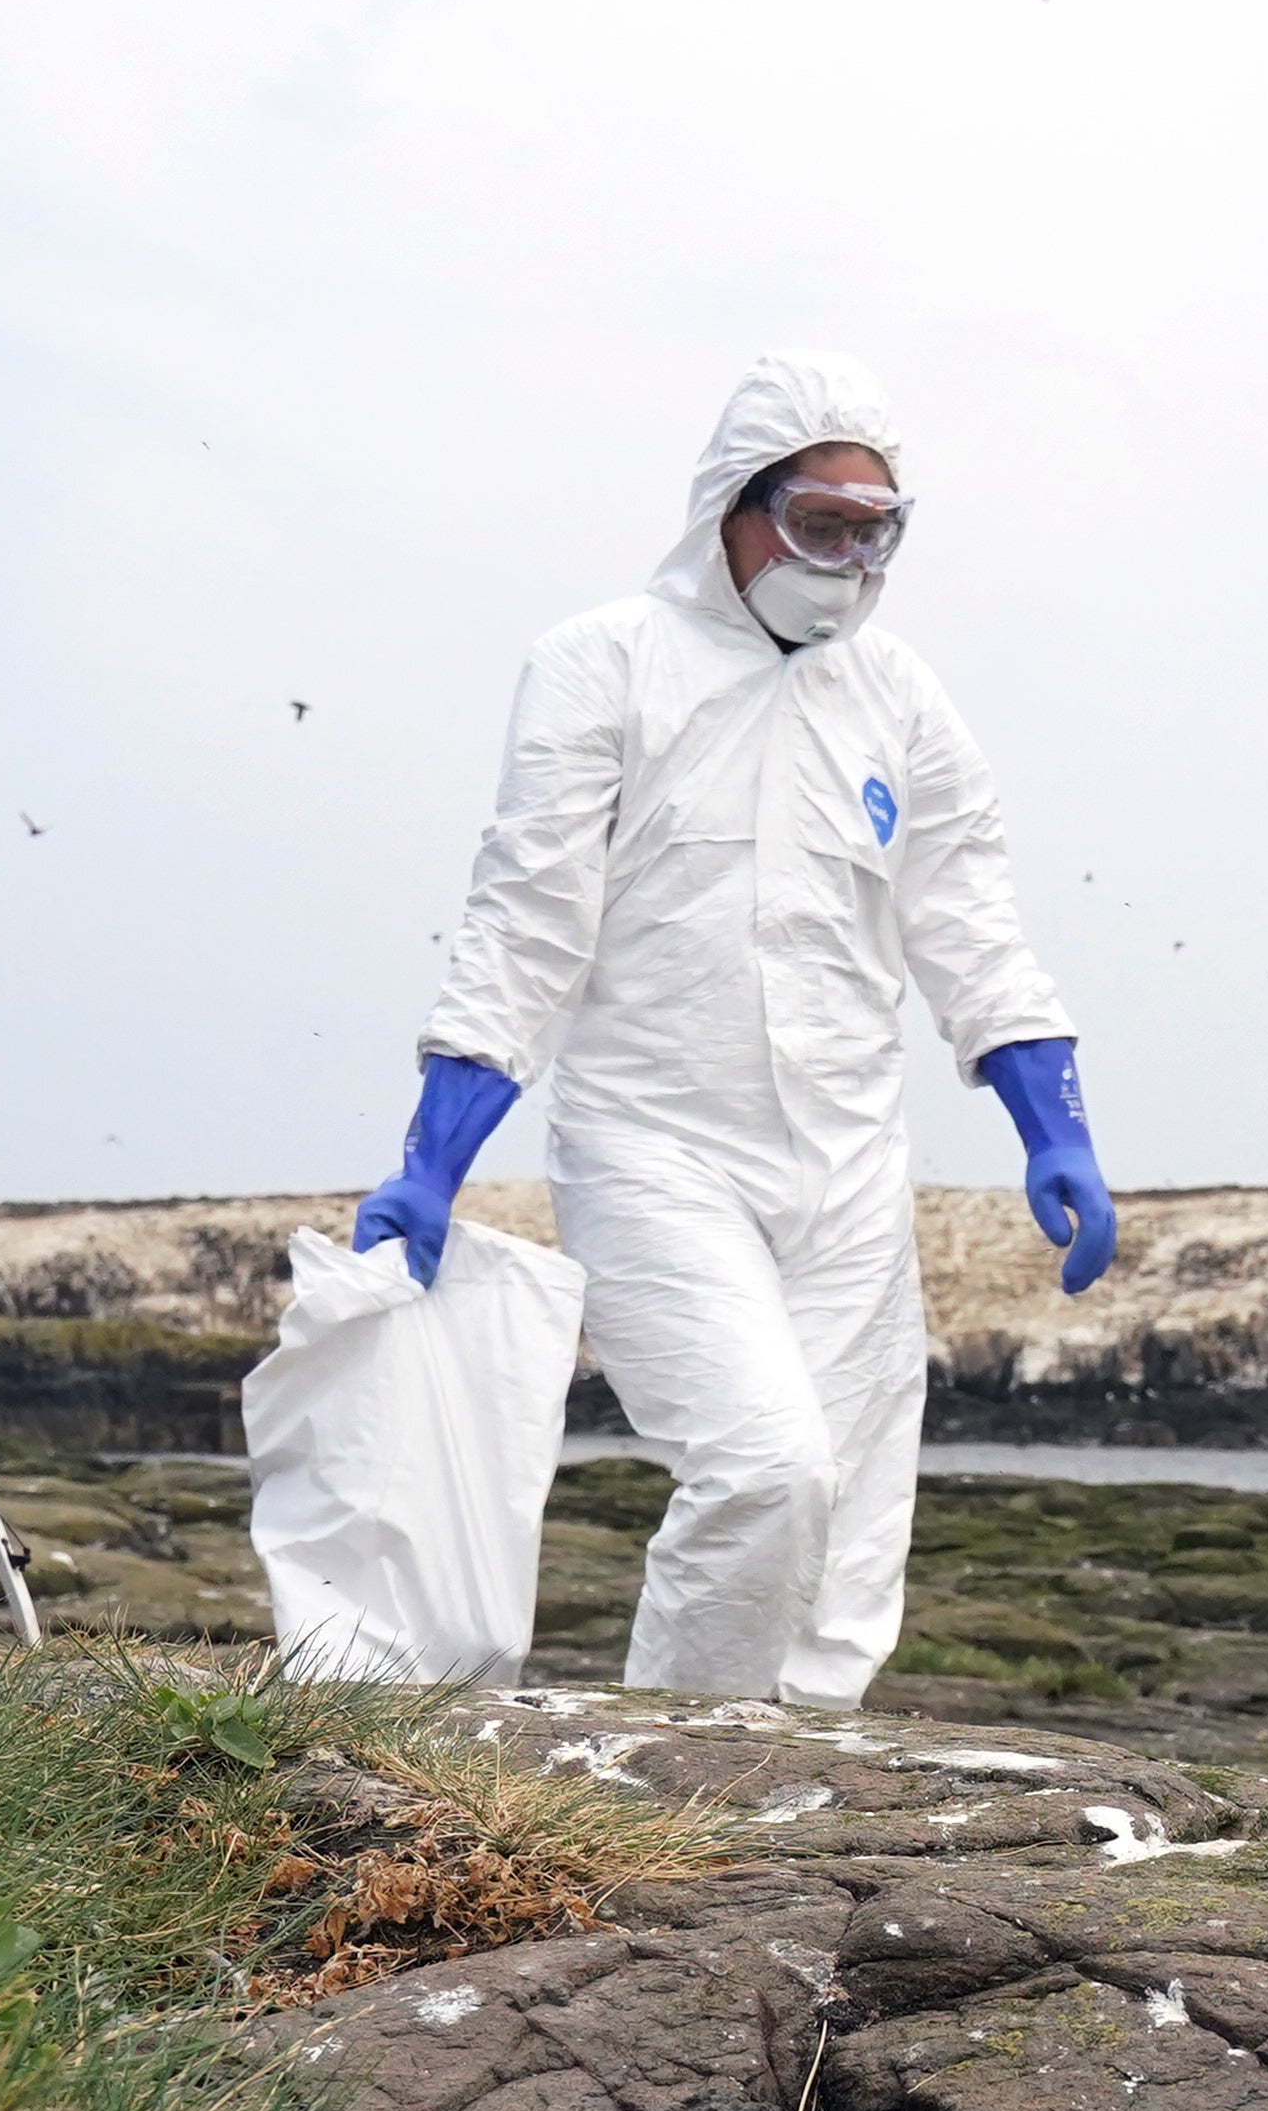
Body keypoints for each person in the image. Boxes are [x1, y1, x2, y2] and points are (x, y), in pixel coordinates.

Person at [353, 352, 1114, 1703]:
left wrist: (1052, 1127)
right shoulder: (605, 668)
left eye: (877, 536)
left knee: (849, 1538)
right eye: (822, 525)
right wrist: (434, 1157)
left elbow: (970, 923)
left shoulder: (900, 702)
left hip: (848, 1166)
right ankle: (669, 1767)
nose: (849, 565)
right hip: (657, 1151)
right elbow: (527, 920)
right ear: (736, 505)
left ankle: (797, 1783)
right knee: (767, 1466)